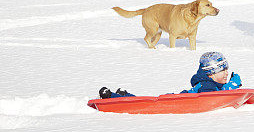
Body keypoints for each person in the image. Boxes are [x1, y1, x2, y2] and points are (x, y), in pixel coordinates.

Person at [97, 51, 242, 98]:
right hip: (177, 101)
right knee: (146, 105)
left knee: (147, 103)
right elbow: (210, 98)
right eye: (222, 71)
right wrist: (232, 86)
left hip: (178, 98)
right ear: (210, 74)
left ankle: (124, 94)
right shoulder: (207, 85)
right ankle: (112, 96)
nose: (226, 73)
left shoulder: (211, 83)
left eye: (226, 70)